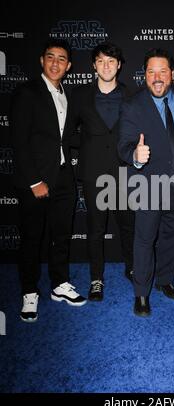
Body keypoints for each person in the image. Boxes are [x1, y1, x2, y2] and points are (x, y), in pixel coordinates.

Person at [10, 39, 86, 323]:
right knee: (31, 239)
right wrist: (33, 181)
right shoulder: (26, 92)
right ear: (42, 60)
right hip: (36, 182)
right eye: (51, 57)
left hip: (64, 177)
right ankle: (29, 292)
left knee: (61, 235)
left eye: (62, 59)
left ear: (69, 66)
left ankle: (59, 284)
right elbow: (18, 141)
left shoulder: (68, 94)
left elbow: (66, 137)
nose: (56, 63)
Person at [118, 48, 174, 317]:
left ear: (173, 75)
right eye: (152, 72)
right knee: (144, 239)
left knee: (172, 235)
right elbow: (123, 146)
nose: (158, 77)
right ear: (145, 75)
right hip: (148, 183)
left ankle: (165, 280)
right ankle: (141, 294)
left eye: (163, 71)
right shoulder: (133, 104)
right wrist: (135, 157)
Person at [71, 42, 134, 301]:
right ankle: (96, 278)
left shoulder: (132, 95)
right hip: (93, 174)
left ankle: (131, 268)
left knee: (127, 227)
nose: (106, 66)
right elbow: (66, 132)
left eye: (111, 61)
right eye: (101, 61)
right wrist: (87, 146)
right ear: (94, 65)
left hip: (124, 174)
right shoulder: (80, 95)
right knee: (96, 229)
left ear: (119, 65)